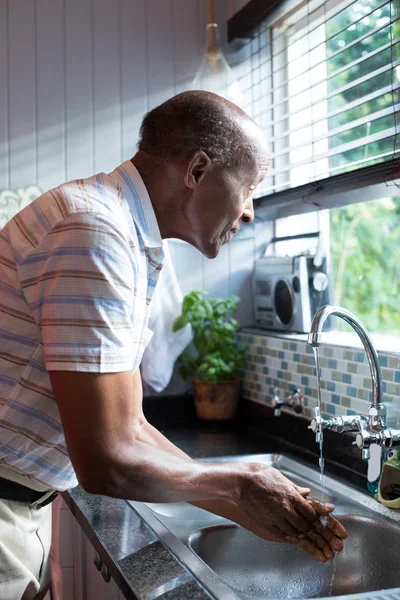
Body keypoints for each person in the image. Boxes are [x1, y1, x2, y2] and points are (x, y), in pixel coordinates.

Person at [0, 91, 347, 600]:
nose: (250, 212)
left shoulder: (118, 230)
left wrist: (236, 495)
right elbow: (106, 460)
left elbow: (131, 427)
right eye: (249, 187)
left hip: (20, 504)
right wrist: (235, 487)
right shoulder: (95, 232)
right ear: (198, 170)